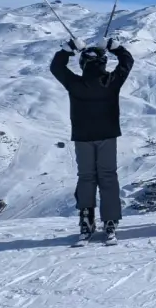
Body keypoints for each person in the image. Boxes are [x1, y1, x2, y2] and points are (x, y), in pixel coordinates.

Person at [50, 37, 134, 243]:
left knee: (86, 176)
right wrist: (115, 47)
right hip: (107, 135)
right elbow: (127, 62)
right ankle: (110, 221)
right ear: (103, 63)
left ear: (83, 64)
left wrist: (68, 49)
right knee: (108, 176)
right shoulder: (112, 82)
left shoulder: (75, 83)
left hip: (83, 136)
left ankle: (86, 220)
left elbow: (56, 67)